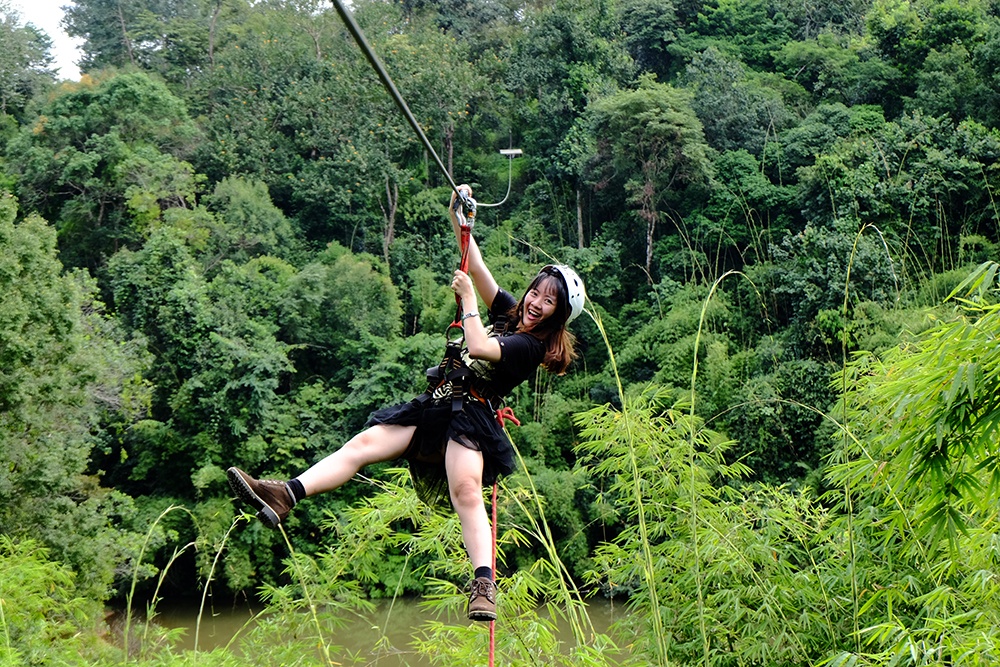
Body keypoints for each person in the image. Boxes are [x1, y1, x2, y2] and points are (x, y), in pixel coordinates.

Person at [227, 185, 585, 622]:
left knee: (467, 492)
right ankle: (286, 494)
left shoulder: (530, 347)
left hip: (472, 416)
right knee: (361, 446)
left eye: (550, 302)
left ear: (558, 315)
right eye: (537, 293)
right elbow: (475, 262)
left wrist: (469, 300)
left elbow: (477, 344)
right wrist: (462, 219)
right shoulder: (512, 311)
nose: (537, 303)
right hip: (439, 402)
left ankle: (484, 585)